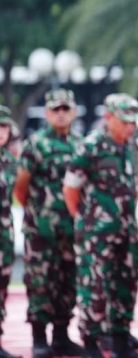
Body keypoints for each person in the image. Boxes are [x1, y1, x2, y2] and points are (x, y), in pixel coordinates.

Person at [63, 94, 138, 358]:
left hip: (126, 229)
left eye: (133, 122)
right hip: (96, 233)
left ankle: (120, 342)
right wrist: (85, 220)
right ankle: (91, 344)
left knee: (126, 284)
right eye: (124, 121)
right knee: (95, 288)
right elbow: (70, 189)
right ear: (108, 118)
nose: (130, 127)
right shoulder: (91, 147)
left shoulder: (132, 147)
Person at [14, 89, 84, 358]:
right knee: (41, 282)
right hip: (42, 231)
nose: (61, 114)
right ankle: (39, 338)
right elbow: (21, 187)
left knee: (69, 282)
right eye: (56, 109)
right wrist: (37, 215)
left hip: (71, 229)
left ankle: (61, 335)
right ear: (47, 113)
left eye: (66, 108)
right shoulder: (36, 144)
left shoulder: (81, 144)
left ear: (74, 112)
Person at [0, 106, 19, 358]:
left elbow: (20, 192)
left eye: (4, 127)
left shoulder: (10, 161)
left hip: (4, 234)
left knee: (2, 287)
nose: (0, 132)